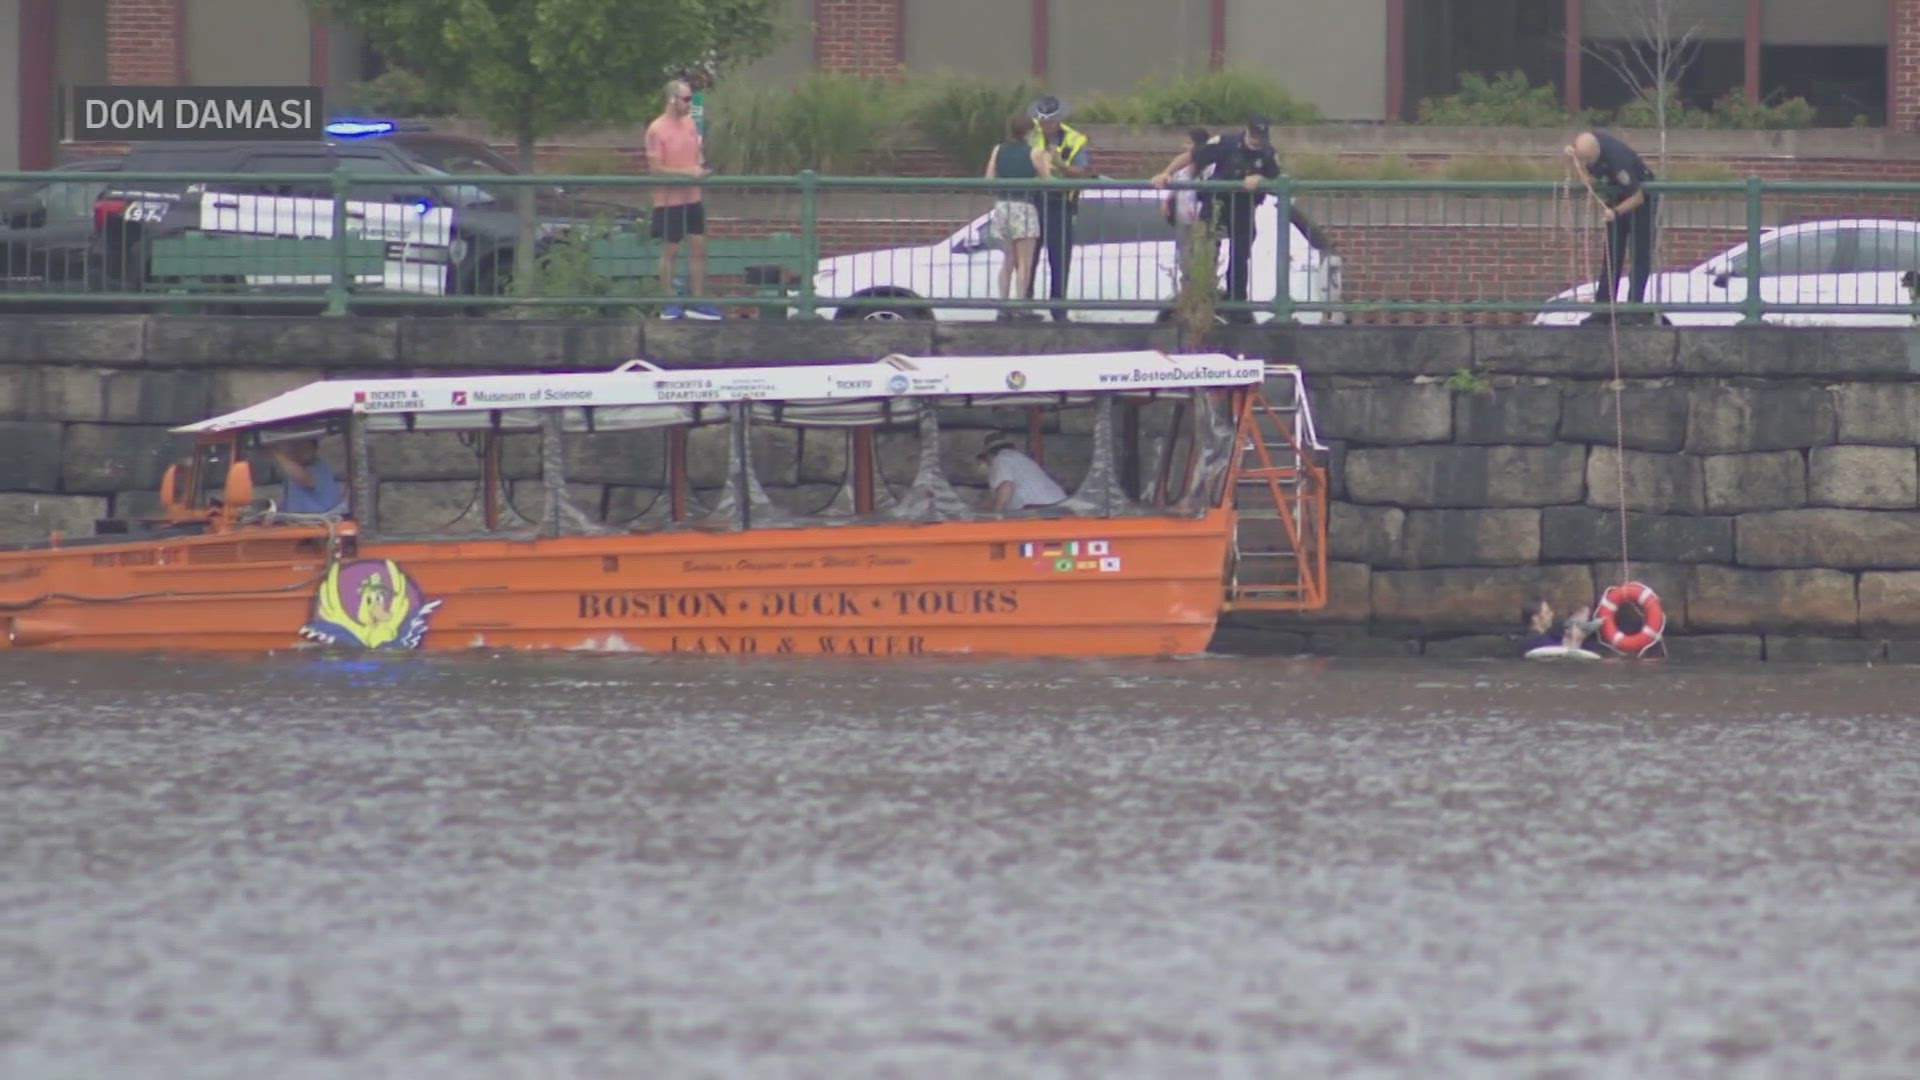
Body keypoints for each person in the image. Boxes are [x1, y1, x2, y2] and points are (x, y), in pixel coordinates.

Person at [1152, 116, 1280, 320]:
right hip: (1216, 205)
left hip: (1243, 207)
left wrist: (1261, 180)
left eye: (1261, 137)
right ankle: (1201, 298)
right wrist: (1166, 173)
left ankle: (1236, 305)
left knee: (1240, 258)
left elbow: (1278, 181)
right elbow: (1192, 156)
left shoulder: (1267, 153)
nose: (1257, 141)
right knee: (1205, 252)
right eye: (1254, 136)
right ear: (1247, 130)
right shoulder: (1225, 143)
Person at [645, 79, 720, 320]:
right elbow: (656, 169)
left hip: (693, 197)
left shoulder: (690, 124)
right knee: (672, 250)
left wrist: (699, 169)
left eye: (690, 98)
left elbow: (697, 155)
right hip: (669, 199)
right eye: (686, 99)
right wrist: (687, 173)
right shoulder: (656, 129)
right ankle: (669, 301)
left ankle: (697, 301)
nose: (689, 103)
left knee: (699, 247)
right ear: (672, 100)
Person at [1566, 130, 1658, 322]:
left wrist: (1615, 213)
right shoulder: (1588, 154)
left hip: (1639, 200)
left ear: (1596, 153)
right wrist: (1576, 163)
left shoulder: (1618, 161)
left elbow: (1637, 197)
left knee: (1639, 255)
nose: (1587, 165)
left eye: (1588, 161)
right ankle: (1603, 308)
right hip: (1617, 198)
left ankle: (1634, 307)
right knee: (1612, 255)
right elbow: (1590, 181)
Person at [1025, 96, 1092, 322]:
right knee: (1028, 258)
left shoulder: (1075, 139)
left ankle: (1058, 309)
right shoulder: (1030, 135)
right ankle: (1024, 306)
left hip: (1061, 205)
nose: (1045, 126)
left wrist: (1060, 165)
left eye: (1049, 122)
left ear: (1059, 120)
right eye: (1042, 121)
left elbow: (1083, 172)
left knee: (1059, 259)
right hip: (1032, 203)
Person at [985, 115, 1052, 321]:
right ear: (1030, 132)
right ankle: (1021, 304)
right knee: (1025, 261)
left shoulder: (998, 149)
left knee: (1008, 259)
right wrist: (1049, 161)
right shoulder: (1035, 152)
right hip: (1024, 205)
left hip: (1003, 205)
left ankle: (1003, 306)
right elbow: (1048, 180)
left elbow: (989, 178)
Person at [978, 435, 1066, 512]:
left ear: (989, 455)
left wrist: (997, 513)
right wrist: (979, 508)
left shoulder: (1000, 459)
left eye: (985, 459)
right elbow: (996, 498)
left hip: (1040, 508)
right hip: (1057, 505)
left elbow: (1006, 485)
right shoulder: (1017, 458)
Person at [268, 438, 345, 516]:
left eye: (306, 448)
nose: (302, 452)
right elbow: (288, 503)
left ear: (315, 450)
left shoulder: (320, 468)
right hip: (296, 523)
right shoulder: (291, 475)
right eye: (299, 448)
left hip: (320, 522)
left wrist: (276, 453)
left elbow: (307, 480)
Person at [1161, 127, 1211, 228]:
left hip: (1204, 222)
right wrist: (1166, 200)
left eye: (1189, 143)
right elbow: (1174, 188)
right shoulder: (1180, 170)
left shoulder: (1211, 168)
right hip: (1183, 222)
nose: (1184, 147)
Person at [1520, 597, 1602, 655]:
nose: (1552, 614)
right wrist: (1575, 639)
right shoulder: (1538, 641)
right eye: (1547, 612)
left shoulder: (1531, 640)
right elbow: (1566, 660)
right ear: (1535, 618)